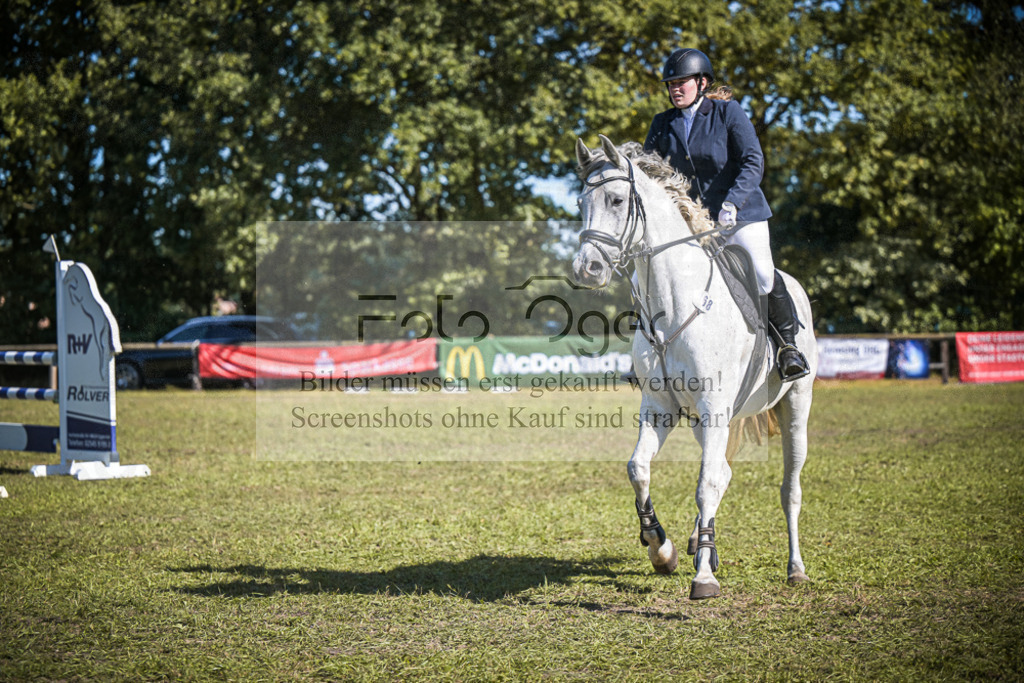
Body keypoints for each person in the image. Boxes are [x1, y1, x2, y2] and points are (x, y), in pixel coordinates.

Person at [643, 48, 809, 381]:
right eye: (671, 84)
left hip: (740, 214)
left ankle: (788, 347)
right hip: (692, 222)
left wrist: (732, 203)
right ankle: (647, 354)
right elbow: (649, 172)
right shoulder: (662, 123)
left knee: (761, 274)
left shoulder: (726, 112)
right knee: (648, 275)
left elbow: (752, 161)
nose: (675, 88)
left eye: (682, 82)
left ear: (702, 82)